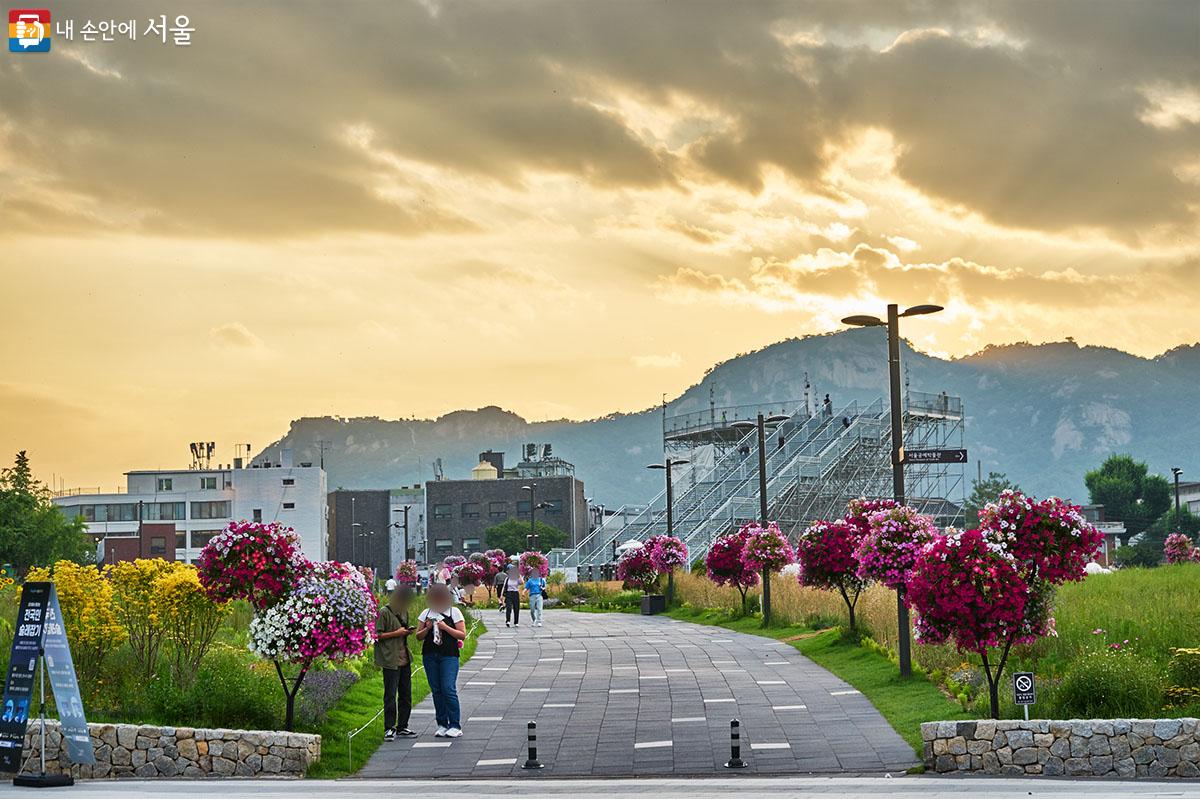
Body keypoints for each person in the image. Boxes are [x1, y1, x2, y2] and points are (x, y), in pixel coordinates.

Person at [416, 584, 467, 738]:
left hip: (449, 655)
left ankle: (455, 724)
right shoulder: (426, 614)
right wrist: (427, 628)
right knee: (436, 690)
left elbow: (462, 634)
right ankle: (442, 723)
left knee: (448, 688)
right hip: (430, 655)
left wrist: (445, 628)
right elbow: (418, 636)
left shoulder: (453, 612)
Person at [375, 581, 416, 741]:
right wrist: (396, 633)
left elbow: (401, 631)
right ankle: (389, 728)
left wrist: (406, 632)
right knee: (390, 694)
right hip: (390, 660)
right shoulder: (384, 612)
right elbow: (377, 636)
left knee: (406, 695)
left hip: (404, 658)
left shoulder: (404, 611)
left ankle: (403, 726)